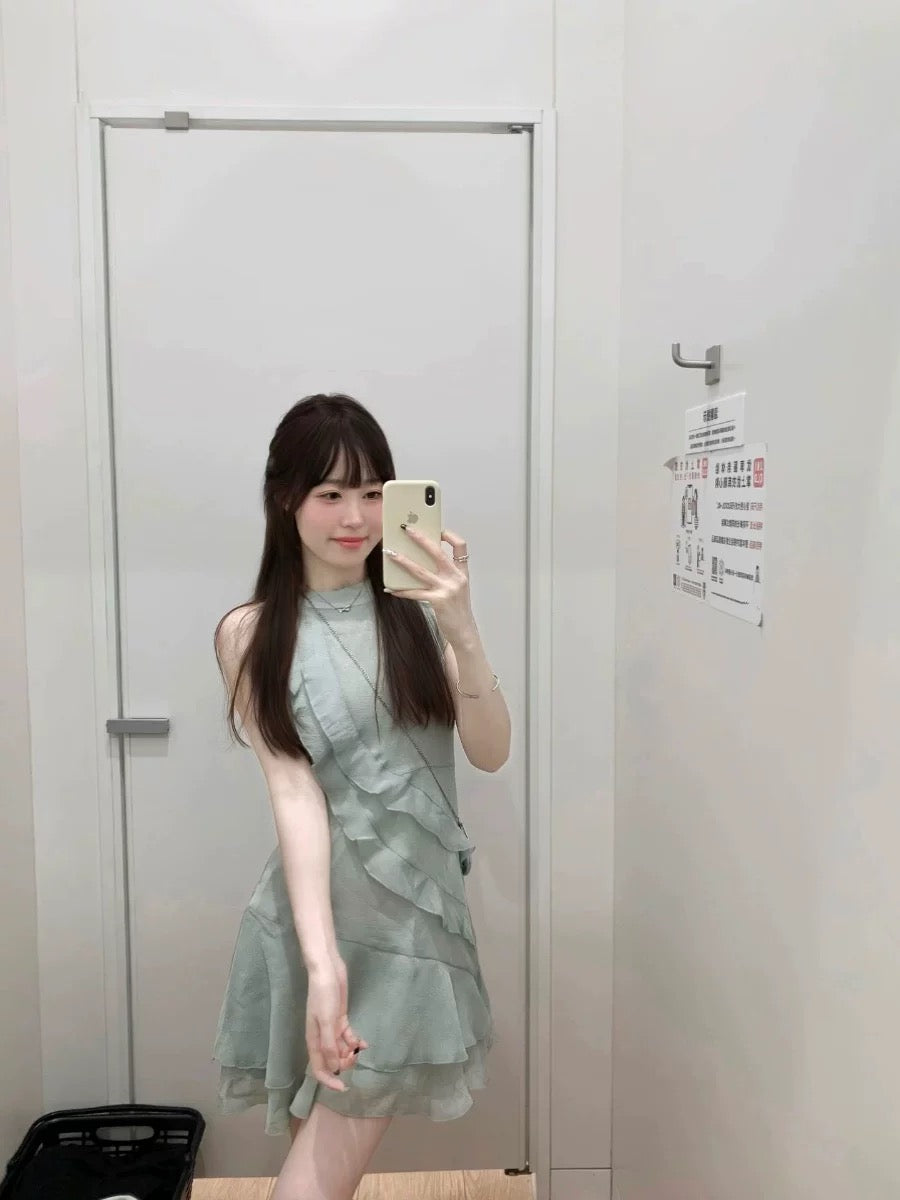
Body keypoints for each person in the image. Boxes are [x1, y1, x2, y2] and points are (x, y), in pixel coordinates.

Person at [211, 393, 510, 1200]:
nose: (355, 517)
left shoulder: (418, 617)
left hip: (413, 925)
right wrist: (322, 964)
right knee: (319, 1174)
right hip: (317, 923)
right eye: (331, 493)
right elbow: (294, 795)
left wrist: (463, 624)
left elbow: (491, 751)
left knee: (322, 1165)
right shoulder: (249, 634)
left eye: (374, 493)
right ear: (286, 499)